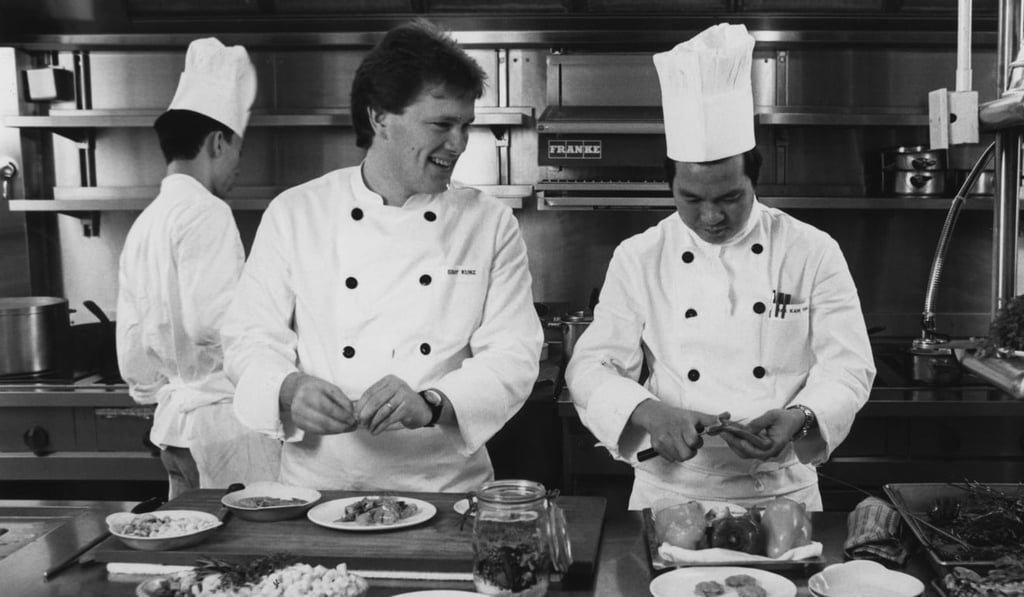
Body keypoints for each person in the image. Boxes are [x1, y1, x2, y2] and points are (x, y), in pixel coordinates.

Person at [221, 20, 542, 492]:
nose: (458, 144)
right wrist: (289, 389)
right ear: (380, 118)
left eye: (465, 125)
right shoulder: (297, 212)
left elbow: (513, 355)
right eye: (441, 124)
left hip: (447, 489)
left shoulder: (488, 223)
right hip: (318, 490)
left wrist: (432, 401)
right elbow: (249, 338)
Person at [567, 23, 875, 511]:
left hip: (781, 490)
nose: (711, 217)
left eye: (730, 197)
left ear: (755, 179)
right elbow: (590, 366)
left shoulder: (811, 250)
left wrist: (799, 415)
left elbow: (850, 366)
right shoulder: (639, 255)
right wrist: (650, 412)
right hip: (670, 490)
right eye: (691, 199)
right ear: (670, 186)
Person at [116, 37, 281, 499]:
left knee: (196, 554)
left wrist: (162, 393)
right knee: (249, 558)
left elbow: (131, 350)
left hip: (174, 428)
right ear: (217, 142)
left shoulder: (146, 223)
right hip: (223, 431)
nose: (237, 169)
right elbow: (218, 323)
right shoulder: (207, 212)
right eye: (238, 153)